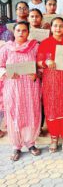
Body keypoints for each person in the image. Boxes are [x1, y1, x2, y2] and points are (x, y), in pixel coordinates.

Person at [0, 21, 41, 161]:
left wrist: (36, 74)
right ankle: (16, 146)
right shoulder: (6, 48)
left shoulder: (34, 47)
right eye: (18, 30)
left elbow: (41, 65)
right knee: (14, 114)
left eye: (24, 30)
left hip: (30, 87)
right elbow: (0, 66)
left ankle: (31, 143)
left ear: (28, 32)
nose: (21, 33)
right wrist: (6, 73)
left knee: (31, 113)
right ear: (14, 32)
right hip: (13, 88)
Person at [37, 17, 63, 153]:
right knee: (52, 107)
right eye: (55, 26)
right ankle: (54, 138)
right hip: (51, 81)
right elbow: (39, 61)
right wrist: (46, 63)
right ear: (51, 27)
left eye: (61, 26)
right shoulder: (45, 43)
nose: (58, 28)